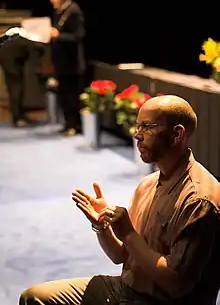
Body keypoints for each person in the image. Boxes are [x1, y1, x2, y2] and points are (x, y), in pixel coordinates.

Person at [19, 95, 220, 305]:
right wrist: (102, 227)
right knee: (34, 298)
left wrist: (129, 234)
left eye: (147, 127)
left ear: (177, 134)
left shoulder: (199, 200)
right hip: (128, 291)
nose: (137, 135)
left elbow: (176, 284)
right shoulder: (149, 183)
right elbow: (122, 256)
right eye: (137, 126)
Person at [49, 0, 85, 136]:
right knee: (63, 94)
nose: (51, 0)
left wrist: (58, 36)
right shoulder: (58, 12)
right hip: (60, 63)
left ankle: (75, 125)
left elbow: (78, 36)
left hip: (72, 63)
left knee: (72, 95)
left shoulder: (74, 11)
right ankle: (67, 123)